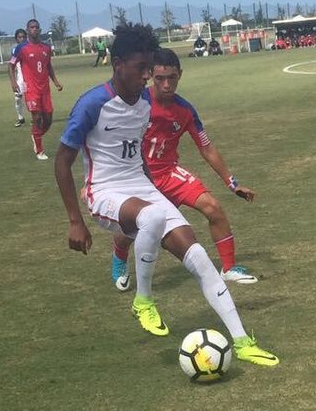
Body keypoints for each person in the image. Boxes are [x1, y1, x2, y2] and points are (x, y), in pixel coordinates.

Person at [53, 23, 278, 366]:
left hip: (142, 187)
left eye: (149, 68)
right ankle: (143, 300)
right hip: (104, 192)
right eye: (141, 68)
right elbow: (62, 161)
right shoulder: (92, 104)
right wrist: (74, 220)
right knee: (153, 216)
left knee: (200, 258)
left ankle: (243, 341)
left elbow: (139, 151)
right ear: (118, 65)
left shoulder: (145, 102)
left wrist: (150, 182)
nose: (147, 76)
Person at [108, 48, 259, 291]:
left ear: (180, 75)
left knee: (213, 207)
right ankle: (119, 257)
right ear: (150, 75)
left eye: (172, 78)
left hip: (169, 174)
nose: (167, 85)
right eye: (160, 78)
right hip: (139, 178)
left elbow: (206, 147)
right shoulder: (135, 102)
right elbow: (110, 139)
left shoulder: (186, 110)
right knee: (130, 229)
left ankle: (229, 268)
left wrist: (232, 183)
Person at [9, 19, 63, 160]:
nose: (34, 29)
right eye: (32, 27)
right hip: (31, 90)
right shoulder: (21, 48)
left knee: (48, 120)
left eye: (37, 27)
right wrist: (13, 82)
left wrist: (56, 82)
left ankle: (36, 135)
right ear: (28, 30)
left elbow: (48, 66)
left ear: (40, 30)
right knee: (37, 117)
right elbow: (11, 65)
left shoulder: (46, 48)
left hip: (45, 90)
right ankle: (40, 150)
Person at [11, 29, 28, 127]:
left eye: (23, 37)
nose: (22, 39)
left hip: (30, 77)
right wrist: (13, 81)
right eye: (19, 37)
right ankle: (20, 118)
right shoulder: (15, 50)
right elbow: (12, 65)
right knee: (18, 98)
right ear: (16, 39)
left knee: (32, 98)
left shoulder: (30, 47)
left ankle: (36, 117)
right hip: (20, 78)